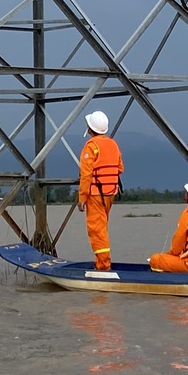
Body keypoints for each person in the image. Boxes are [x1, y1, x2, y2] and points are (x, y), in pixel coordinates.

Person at [76, 109, 123, 271]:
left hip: (95, 194)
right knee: (102, 228)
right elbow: (120, 168)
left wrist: (82, 198)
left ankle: (103, 266)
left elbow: (86, 175)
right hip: (111, 192)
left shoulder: (91, 146)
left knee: (97, 229)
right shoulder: (113, 144)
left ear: (90, 128)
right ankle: (102, 261)